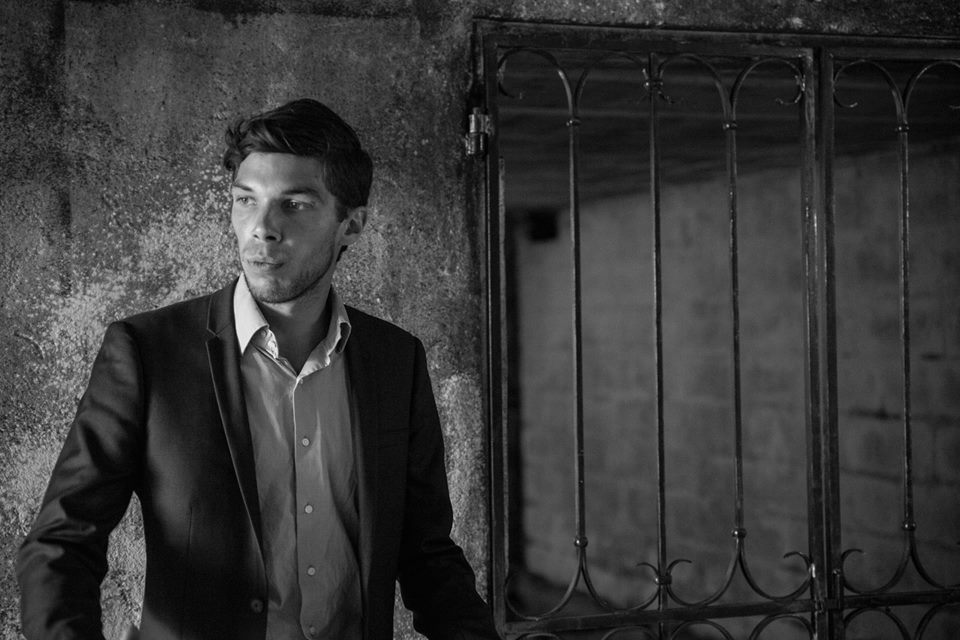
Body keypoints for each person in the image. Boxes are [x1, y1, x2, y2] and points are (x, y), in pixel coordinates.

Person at [17, 98, 499, 640]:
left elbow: (428, 556)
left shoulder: (396, 360)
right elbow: (61, 544)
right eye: (246, 200)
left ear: (351, 225)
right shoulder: (148, 351)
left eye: (295, 204)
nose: (262, 228)